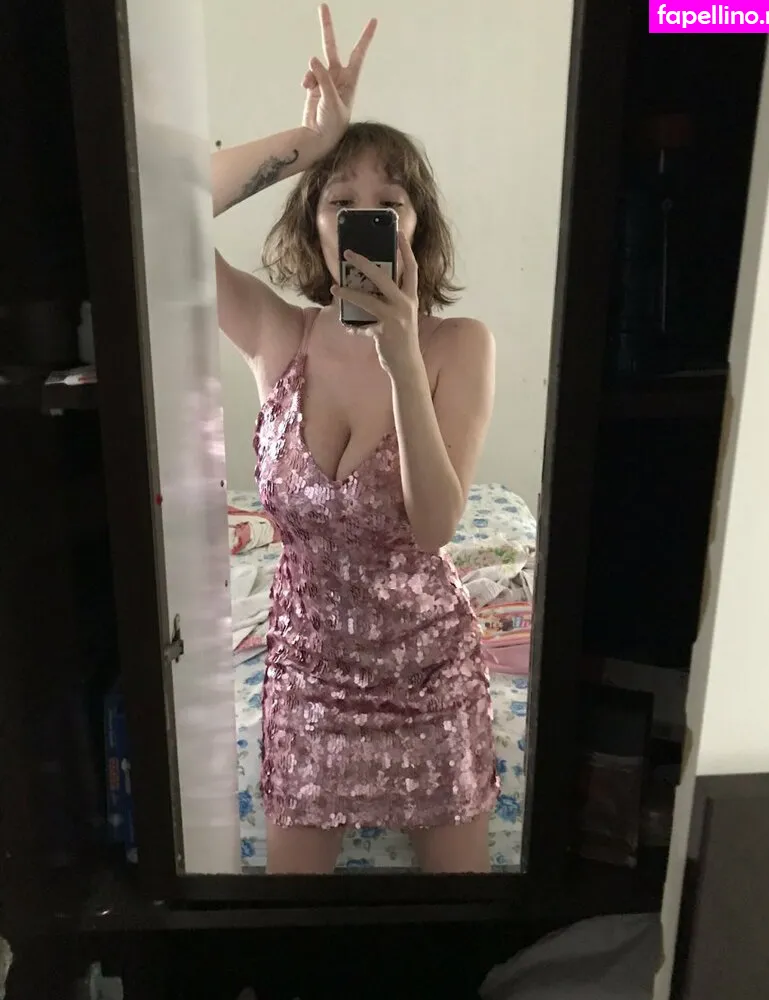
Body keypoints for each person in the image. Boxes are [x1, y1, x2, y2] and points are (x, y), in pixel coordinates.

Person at [211, 4, 498, 874]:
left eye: (389, 204)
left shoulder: (459, 345)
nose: (364, 218)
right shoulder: (278, 336)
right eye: (341, 202)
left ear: (417, 227)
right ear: (314, 224)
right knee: (293, 926)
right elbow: (153, 205)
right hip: (310, 680)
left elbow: (436, 527)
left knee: (454, 931)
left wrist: (403, 359)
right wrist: (309, 141)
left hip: (431, 676)